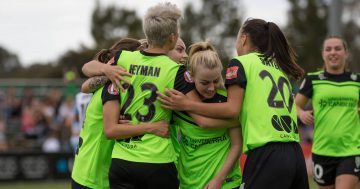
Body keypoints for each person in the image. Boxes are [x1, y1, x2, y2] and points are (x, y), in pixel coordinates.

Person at [157, 18, 309, 189]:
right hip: (295, 152)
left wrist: (186, 104)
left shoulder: (241, 63)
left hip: (267, 152)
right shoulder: (277, 66)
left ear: (243, 38)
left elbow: (231, 109)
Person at [82, 3, 195, 188]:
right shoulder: (176, 71)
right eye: (180, 48)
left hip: (122, 160)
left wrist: (105, 69)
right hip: (157, 159)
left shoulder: (124, 58)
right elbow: (200, 114)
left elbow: (86, 71)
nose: (184, 55)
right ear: (173, 38)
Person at [71, 38, 170, 189]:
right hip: (94, 175)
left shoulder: (107, 83)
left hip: (83, 169)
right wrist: (152, 127)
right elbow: (111, 130)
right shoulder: (113, 87)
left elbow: (85, 84)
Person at [174, 41, 242, 189]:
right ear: (191, 76)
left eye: (216, 80)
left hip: (226, 183)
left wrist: (219, 179)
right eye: (205, 83)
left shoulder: (227, 100)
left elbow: (237, 145)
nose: (211, 88)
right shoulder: (179, 101)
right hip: (189, 182)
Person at [295, 36, 360, 189]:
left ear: (346, 53)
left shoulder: (356, 81)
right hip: (322, 151)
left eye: (338, 48)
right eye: (328, 49)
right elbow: (294, 106)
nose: (333, 52)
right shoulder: (313, 79)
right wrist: (301, 114)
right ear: (323, 54)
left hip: (351, 150)